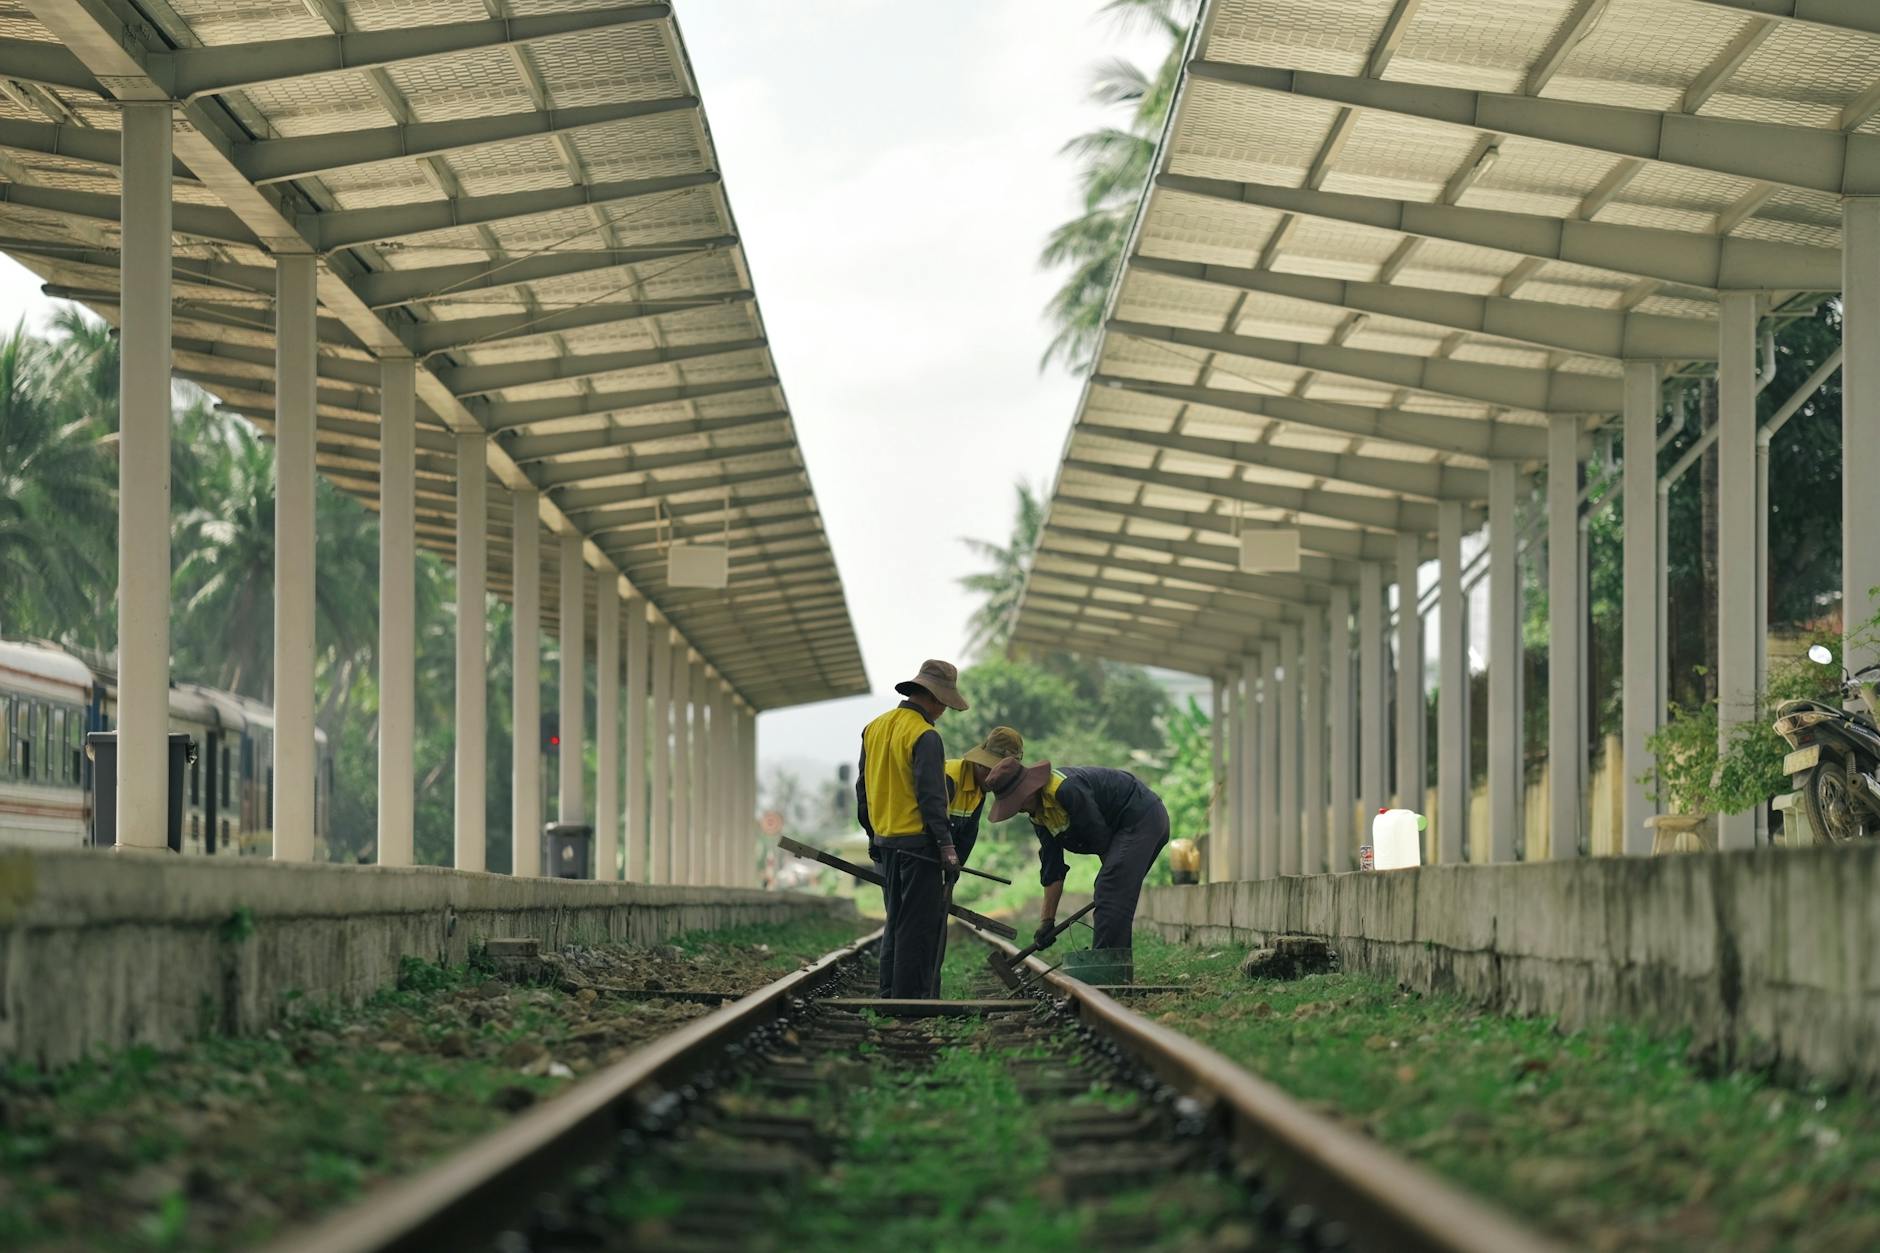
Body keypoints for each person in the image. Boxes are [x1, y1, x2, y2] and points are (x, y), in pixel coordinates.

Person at [857, 659, 967, 999]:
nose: (944, 711)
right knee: (917, 926)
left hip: (887, 841)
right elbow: (932, 797)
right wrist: (947, 846)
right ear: (934, 699)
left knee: (896, 920)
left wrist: (871, 835)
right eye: (945, 704)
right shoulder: (925, 735)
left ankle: (889, 992)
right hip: (919, 845)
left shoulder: (873, 728)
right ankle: (910, 998)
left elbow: (862, 790)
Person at [985, 758, 1169, 956]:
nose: (1018, 810)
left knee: (1110, 889)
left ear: (1028, 789)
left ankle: (1107, 969)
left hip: (1142, 818)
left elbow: (1099, 838)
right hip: (1123, 831)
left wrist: (1112, 887)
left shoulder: (1067, 789)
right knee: (1111, 890)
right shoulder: (1038, 814)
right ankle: (1111, 964)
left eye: (1017, 802)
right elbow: (1052, 867)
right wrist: (1047, 922)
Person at [945, 725, 1025, 867]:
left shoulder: (980, 791)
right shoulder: (949, 777)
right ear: (980, 763)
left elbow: (965, 840)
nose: (994, 780)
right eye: (991, 771)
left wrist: (951, 879)